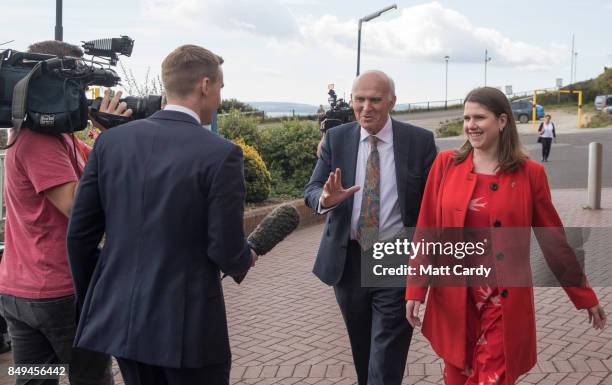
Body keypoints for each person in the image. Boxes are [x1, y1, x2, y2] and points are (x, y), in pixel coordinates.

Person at [67, 44, 257, 385]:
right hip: (188, 329)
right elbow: (224, 249)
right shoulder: (222, 154)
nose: (220, 98)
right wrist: (247, 256)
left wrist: (97, 295)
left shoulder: (111, 143)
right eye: (221, 88)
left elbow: (79, 236)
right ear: (205, 85)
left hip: (122, 323)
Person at [405, 87, 606, 385]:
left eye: (479, 117)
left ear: (501, 121)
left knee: (493, 379)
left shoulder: (530, 175)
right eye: (466, 117)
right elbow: (426, 231)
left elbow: (554, 242)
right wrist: (415, 289)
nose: (470, 125)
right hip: (456, 301)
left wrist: (583, 294)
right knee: (458, 378)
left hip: (503, 305)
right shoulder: (446, 165)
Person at [0, 40, 131, 385]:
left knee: (35, 378)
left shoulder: (57, 137)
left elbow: (101, 165)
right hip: (58, 292)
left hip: (24, 290)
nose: (82, 97)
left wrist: (110, 133)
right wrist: (109, 139)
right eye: (78, 88)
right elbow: (76, 205)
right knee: (90, 377)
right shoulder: (39, 142)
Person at [304, 70, 437, 385]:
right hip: (348, 262)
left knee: (386, 359)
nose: (366, 107)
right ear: (351, 99)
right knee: (363, 354)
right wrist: (326, 198)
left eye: (375, 100)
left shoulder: (419, 142)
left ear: (392, 101)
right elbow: (311, 190)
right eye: (359, 99)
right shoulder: (337, 140)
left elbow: (436, 203)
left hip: (395, 258)